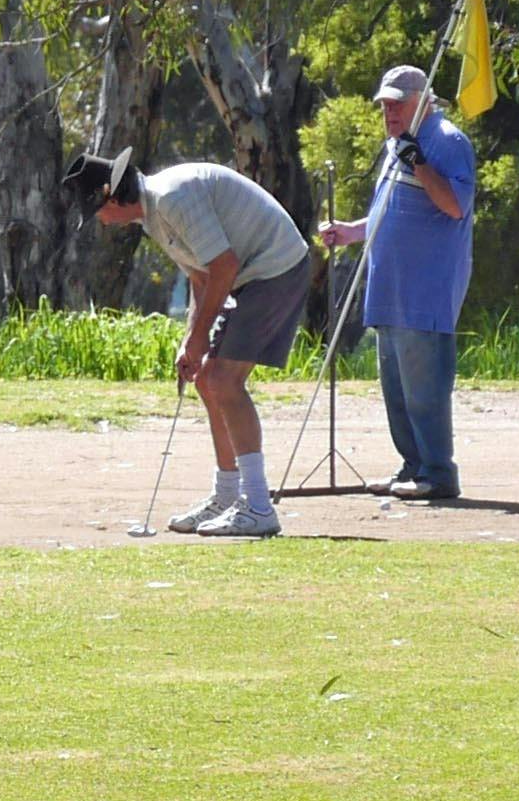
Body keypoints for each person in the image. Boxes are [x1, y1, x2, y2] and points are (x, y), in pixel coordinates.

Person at [88, 145, 316, 537]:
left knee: (224, 381)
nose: (100, 222)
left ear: (111, 197)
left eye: (96, 211)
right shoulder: (152, 215)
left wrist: (199, 337)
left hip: (275, 267)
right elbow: (201, 275)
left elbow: (223, 266)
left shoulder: (172, 198)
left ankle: (259, 506)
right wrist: (192, 338)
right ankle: (227, 495)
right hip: (248, 275)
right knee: (209, 382)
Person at [316, 64, 477, 504]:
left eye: (396, 104)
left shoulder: (447, 142)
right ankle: (412, 466)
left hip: (425, 288)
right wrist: (352, 231)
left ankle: (439, 473)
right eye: (384, 105)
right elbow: (393, 207)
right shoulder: (397, 145)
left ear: (422, 103)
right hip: (389, 286)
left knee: (425, 387)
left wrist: (419, 162)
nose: (388, 112)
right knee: (396, 386)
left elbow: (455, 206)